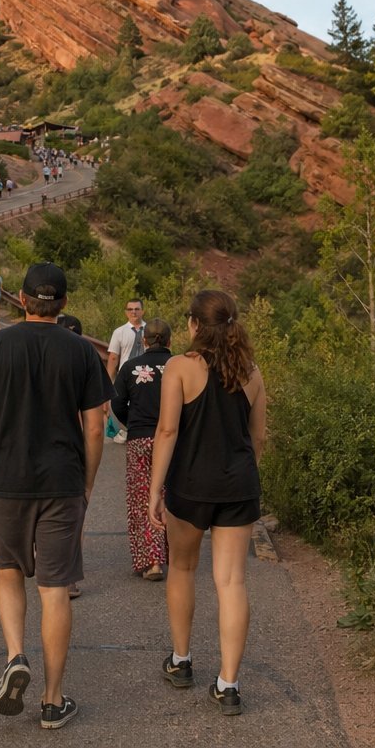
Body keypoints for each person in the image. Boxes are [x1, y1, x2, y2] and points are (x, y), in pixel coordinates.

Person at [0, 263, 113, 730]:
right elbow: (94, 426)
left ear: (21, 300)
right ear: (64, 304)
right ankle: (52, 699)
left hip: (5, 481)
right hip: (62, 483)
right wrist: (86, 483)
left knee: (7, 572)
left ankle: (14, 655)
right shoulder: (82, 352)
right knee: (54, 589)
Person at [148, 291, 267, 718]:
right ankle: (228, 685)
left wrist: (153, 491)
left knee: (182, 568)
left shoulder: (180, 367)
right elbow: (258, 438)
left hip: (191, 485)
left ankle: (181, 661)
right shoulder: (251, 371)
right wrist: (241, 475)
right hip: (238, 487)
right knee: (231, 582)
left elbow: (166, 432)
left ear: (195, 325)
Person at [110, 318, 173, 582]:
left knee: (142, 500)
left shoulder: (131, 367)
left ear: (143, 341)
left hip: (140, 439)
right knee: (170, 496)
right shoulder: (178, 365)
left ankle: (151, 561)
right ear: (170, 341)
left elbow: (117, 402)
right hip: (172, 441)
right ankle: (177, 557)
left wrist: (134, 424)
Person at [104, 299, 147, 444]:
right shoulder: (119, 332)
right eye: (130, 309)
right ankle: (125, 429)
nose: (133, 312)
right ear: (126, 312)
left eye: (137, 309)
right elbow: (113, 358)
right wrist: (109, 380)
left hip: (145, 373)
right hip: (126, 374)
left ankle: (141, 430)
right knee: (123, 403)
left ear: (143, 311)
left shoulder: (150, 330)